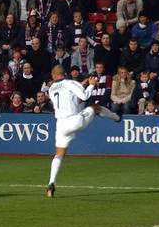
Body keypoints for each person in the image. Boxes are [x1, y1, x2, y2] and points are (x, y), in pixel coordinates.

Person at [45, 65, 120, 198]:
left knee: (59, 154)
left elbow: (69, 96)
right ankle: (117, 117)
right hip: (74, 120)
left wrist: (82, 84)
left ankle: (51, 183)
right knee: (95, 107)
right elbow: (84, 96)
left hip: (60, 124)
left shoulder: (51, 88)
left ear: (53, 75)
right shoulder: (70, 82)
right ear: (65, 74)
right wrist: (91, 85)